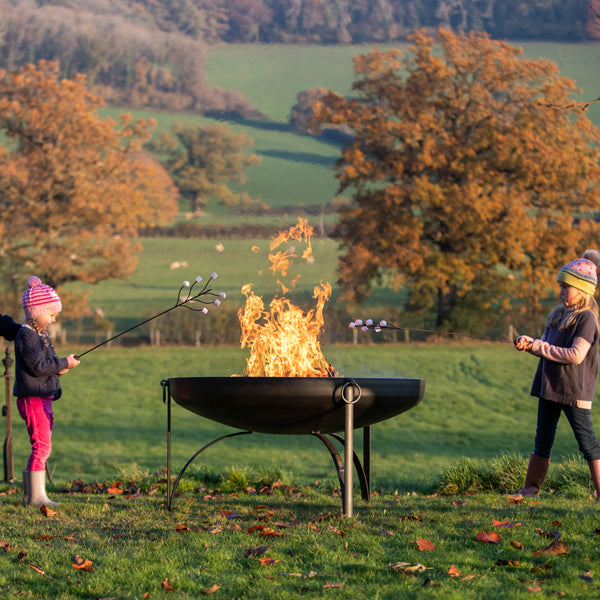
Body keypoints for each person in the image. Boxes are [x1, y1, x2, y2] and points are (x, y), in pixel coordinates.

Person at [514, 250, 600, 500]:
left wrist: (537, 346)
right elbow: (545, 347)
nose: (561, 291)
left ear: (582, 289)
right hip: (549, 387)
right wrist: (528, 344)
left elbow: (575, 355)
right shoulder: (557, 314)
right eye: (560, 286)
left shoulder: (587, 319)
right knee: (542, 440)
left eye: (566, 287)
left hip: (573, 391)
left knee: (587, 444)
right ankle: (530, 491)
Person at [14, 276, 80, 506]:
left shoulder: (39, 335)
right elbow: (38, 366)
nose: (53, 318)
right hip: (32, 398)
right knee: (41, 446)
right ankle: (35, 496)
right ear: (35, 312)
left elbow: (45, 365)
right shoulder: (27, 336)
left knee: (44, 445)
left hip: (42, 396)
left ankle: (33, 494)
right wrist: (63, 364)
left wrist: (59, 369)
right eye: (50, 314)